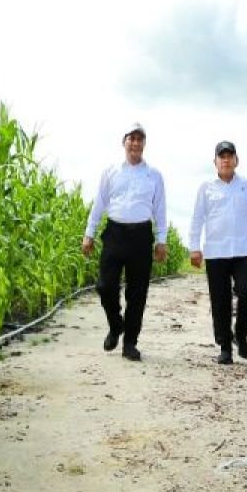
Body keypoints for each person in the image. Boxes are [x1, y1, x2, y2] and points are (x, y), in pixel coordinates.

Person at [81, 122, 168, 361]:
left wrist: (161, 241)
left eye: (140, 139)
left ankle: (130, 343)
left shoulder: (154, 176)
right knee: (105, 286)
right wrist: (89, 234)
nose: (135, 143)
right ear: (124, 142)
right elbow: (98, 203)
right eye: (131, 138)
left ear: (144, 144)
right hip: (115, 234)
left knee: (137, 293)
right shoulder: (111, 172)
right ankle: (115, 324)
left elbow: (160, 209)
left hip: (141, 236)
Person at [189, 140, 247, 365]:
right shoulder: (206, 188)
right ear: (215, 161)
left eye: (229, 155)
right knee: (220, 300)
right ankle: (224, 346)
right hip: (216, 252)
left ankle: (241, 335)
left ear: (236, 160)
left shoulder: (246, 185)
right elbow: (197, 218)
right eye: (221, 156)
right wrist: (194, 247)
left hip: (242, 249)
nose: (226, 159)